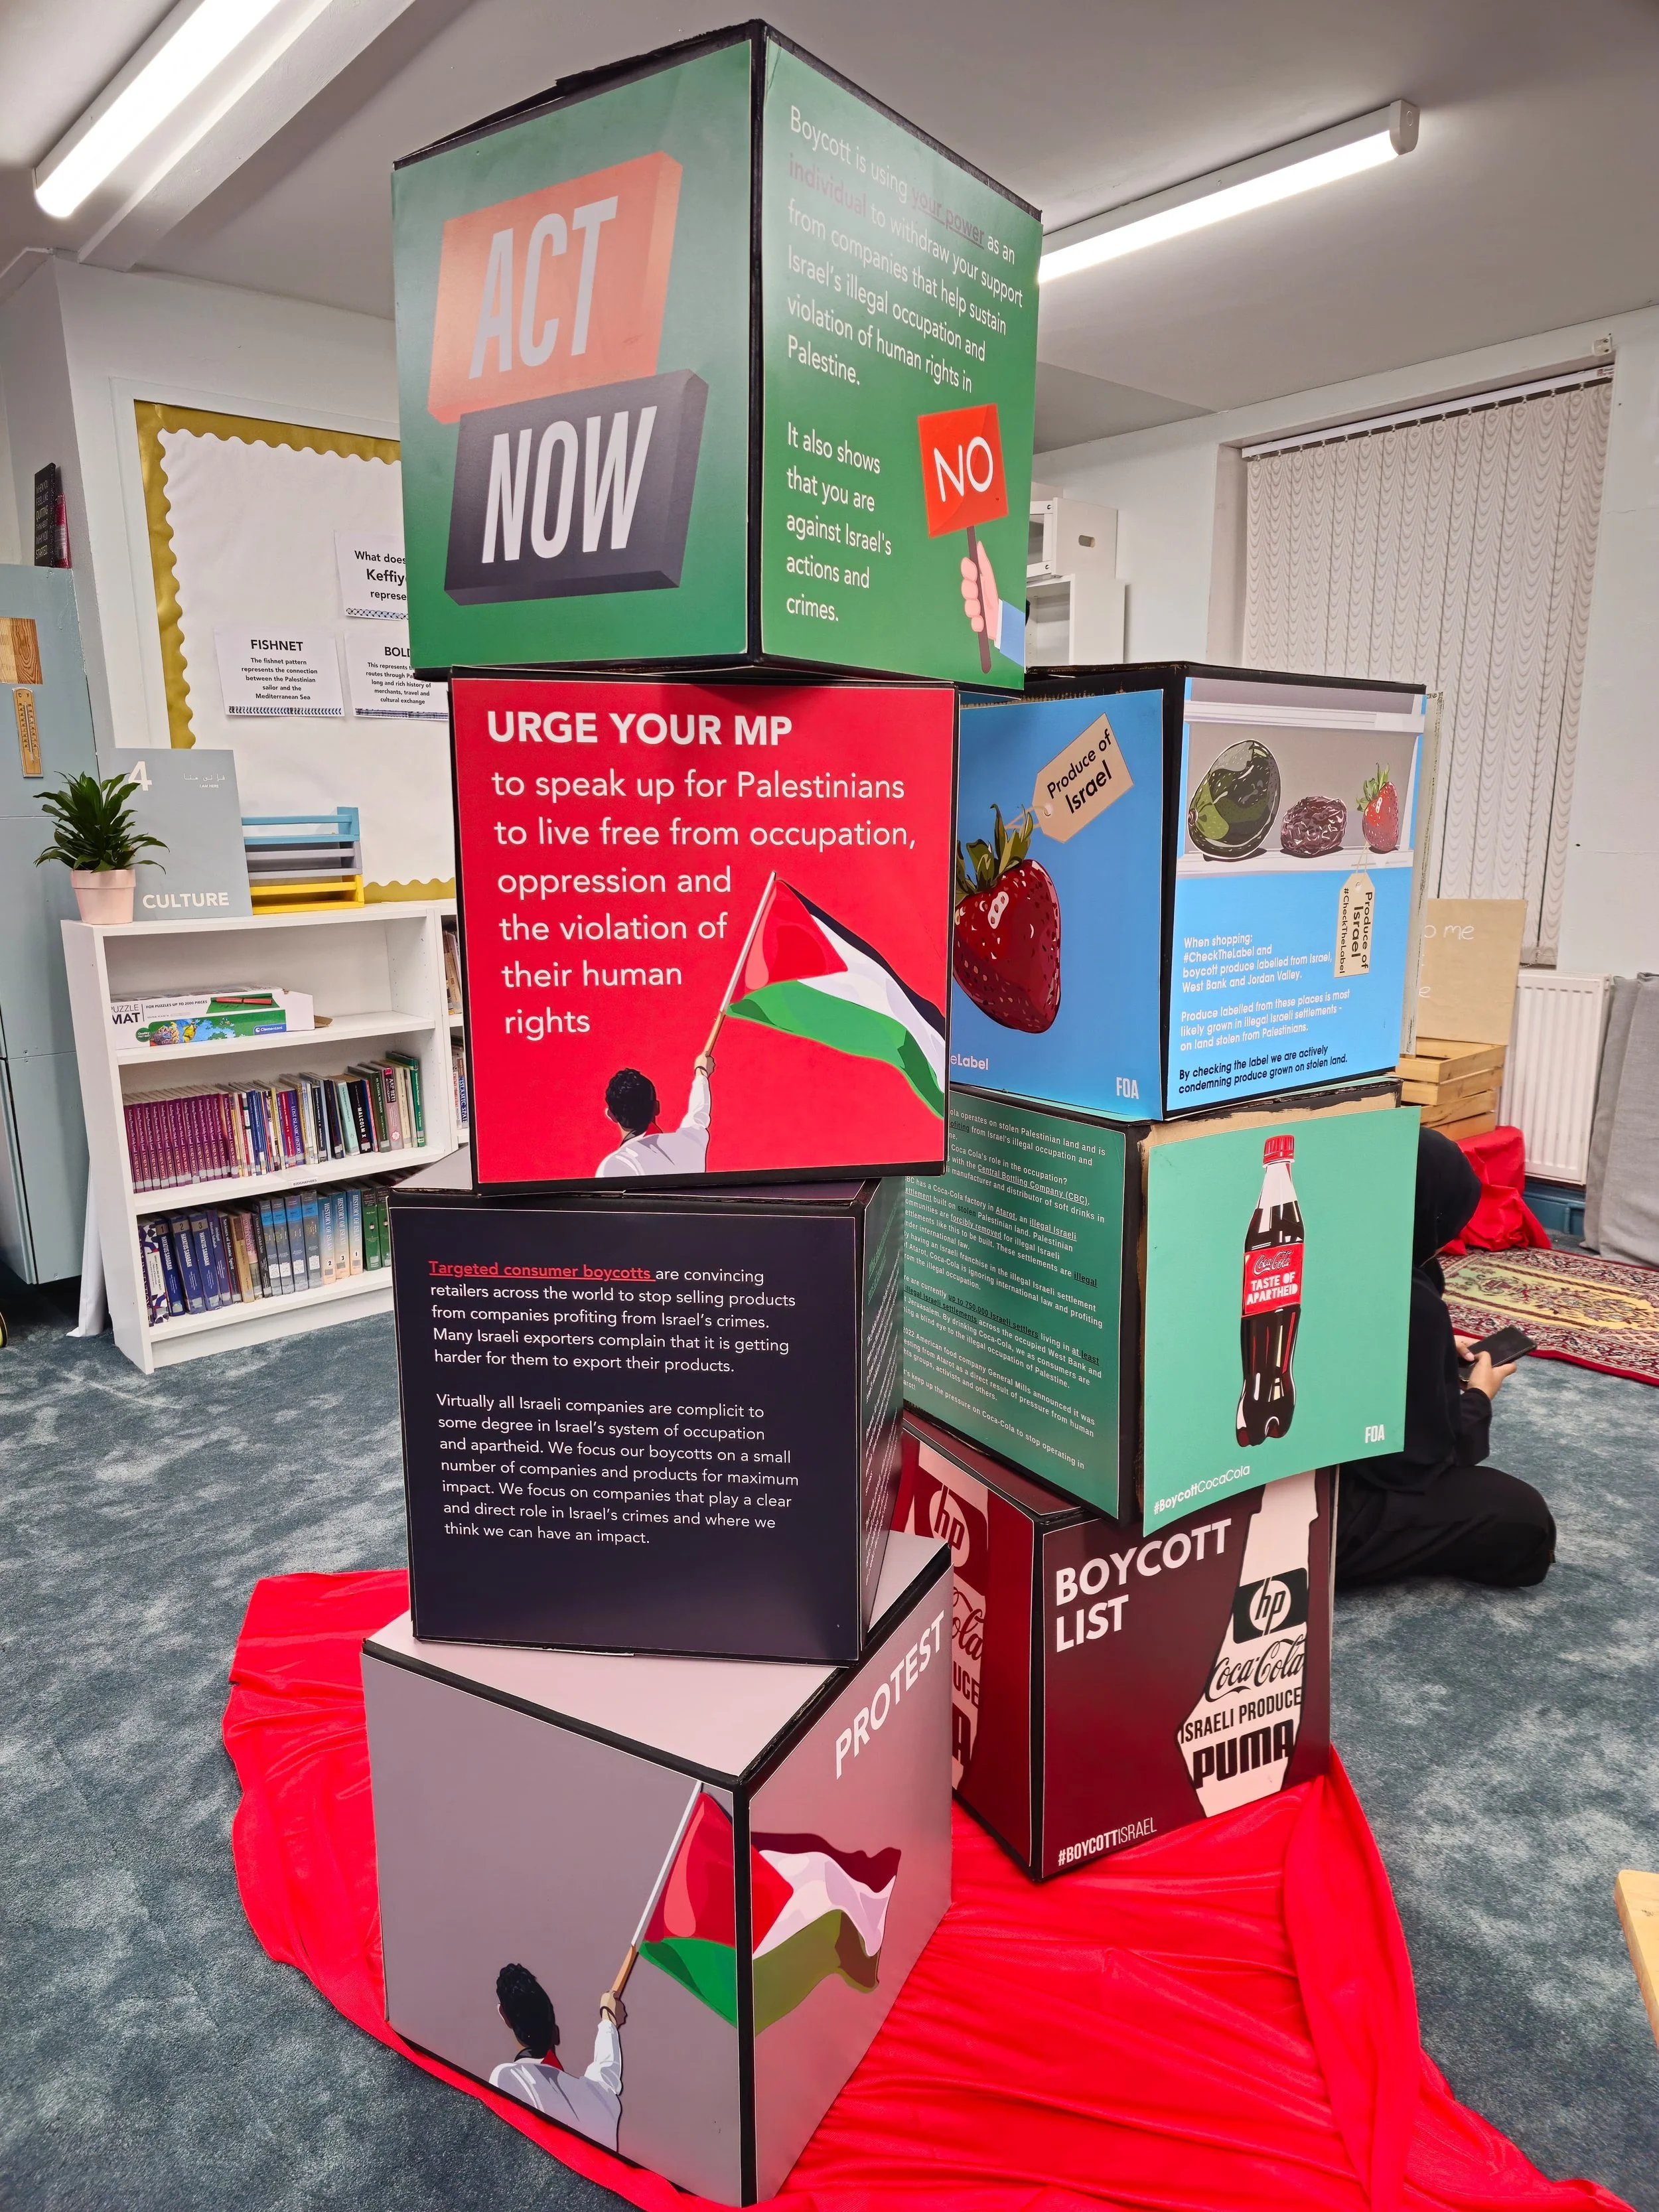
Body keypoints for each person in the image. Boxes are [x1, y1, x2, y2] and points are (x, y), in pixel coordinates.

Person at [1336, 1127, 1556, 1589]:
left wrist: (1431, 1350)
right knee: (1526, 1521)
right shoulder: (1406, 1300)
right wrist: (1478, 1397)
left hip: (1254, 1485)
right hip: (1325, 1515)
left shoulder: (1324, 1259)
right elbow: (1413, 1464)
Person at [488, 1962, 625, 2150]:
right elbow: (607, 2072)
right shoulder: (599, 2099)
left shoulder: (510, 2078)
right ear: (556, 2033)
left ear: (504, 2016)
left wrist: (609, 2020)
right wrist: (608, 2019)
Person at [595, 1053, 714, 1177]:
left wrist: (702, 1073)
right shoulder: (689, 1144)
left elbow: (698, 1115)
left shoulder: (615, 1164)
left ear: (611, 1115)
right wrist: (701, 1073)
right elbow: (698, 1114)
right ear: (657, 1107)